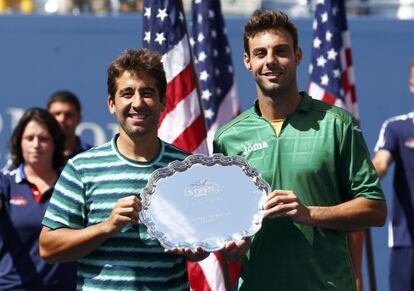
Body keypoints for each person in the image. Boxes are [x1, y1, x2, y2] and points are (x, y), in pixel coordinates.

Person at [215, 10, 387, 290]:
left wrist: (308, 214)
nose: (270, 61)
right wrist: (230, 243)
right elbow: (225, 222)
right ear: (248, 61)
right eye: (260, 53)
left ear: (297, 55)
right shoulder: (227, 138)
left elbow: (375, 209)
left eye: (280, 51)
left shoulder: (337, 124)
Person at [39, 48, 208, 290]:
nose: (137, 103)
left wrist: (197, 250)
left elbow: (202, 243)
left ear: (163, 102)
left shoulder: (187, 169)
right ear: (112, 103)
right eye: (127, 93)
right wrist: (107, 227)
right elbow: (48, 247)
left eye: (147, 93)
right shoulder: (82, 168)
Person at [0, 107, 76, 290]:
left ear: (55, 143)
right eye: (29, 138)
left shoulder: (72, 184)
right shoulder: (5, 182)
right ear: (19, 143)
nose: (36, 144)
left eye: (43, 138)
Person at [372, 58, 414, 291]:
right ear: (412, 85)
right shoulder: (397, 128)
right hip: (406, 240)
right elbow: (380, 163)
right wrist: (367, 177)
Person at [46, 90, 91, 160]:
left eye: (68, 115)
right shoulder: (39, 154)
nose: (62, 119)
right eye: (57, 114)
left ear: (79, 119)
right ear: (47, 117)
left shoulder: (92, 155)